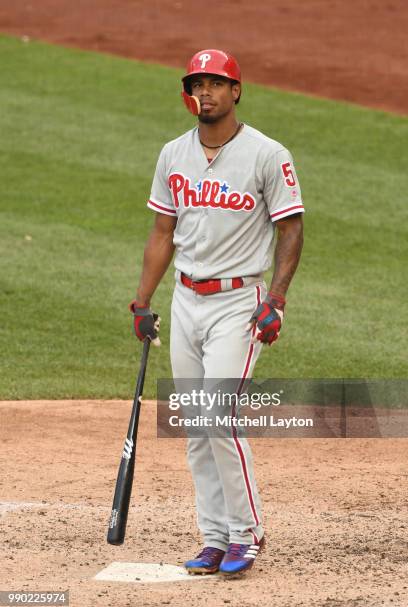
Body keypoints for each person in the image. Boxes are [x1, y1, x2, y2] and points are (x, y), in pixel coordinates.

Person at [130, 49, 304, 577]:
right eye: (196, 84)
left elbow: (290, 227)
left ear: (236, 91)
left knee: (218, 416)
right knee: (196, 423)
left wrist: (276, 298)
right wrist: (142, 301)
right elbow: (163, 234)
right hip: (186, 301)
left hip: (239, 303)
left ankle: (247, 534)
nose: (204, 92)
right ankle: (213, 536)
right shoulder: (172, 154)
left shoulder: (267, 154)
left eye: (216, 83)